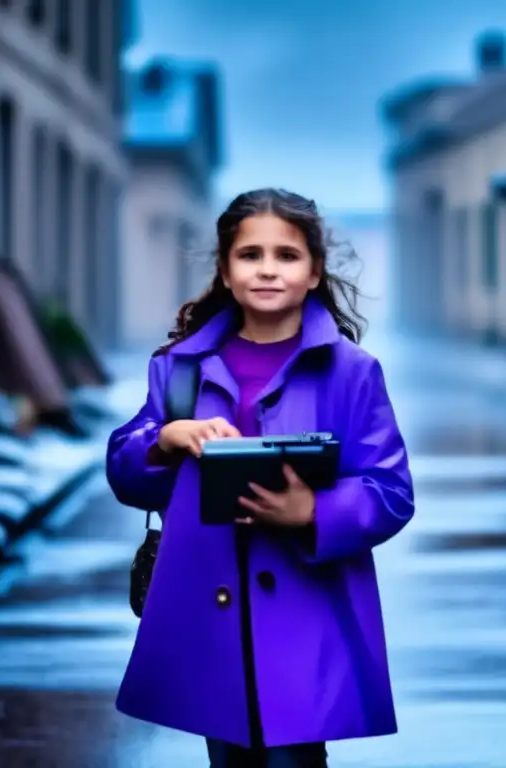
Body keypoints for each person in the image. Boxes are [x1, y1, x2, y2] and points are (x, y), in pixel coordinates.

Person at [106, 188, 415, 768]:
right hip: (207, 617)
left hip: (308, 615)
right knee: (228, 759)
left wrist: (312, 512)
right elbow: (127, 473)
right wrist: (164, 440)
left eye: (287, 255)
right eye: (250, 255)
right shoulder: (178, 369)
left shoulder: (351, 373)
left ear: (314, 270)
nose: (268, 269)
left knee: (292, 760)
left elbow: (392, 492)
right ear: (224, 270)